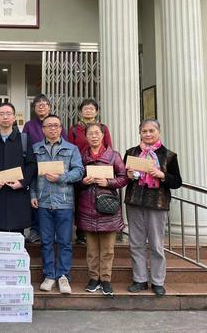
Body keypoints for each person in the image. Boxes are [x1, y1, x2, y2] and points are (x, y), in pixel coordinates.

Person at [124, 119, 182, 297]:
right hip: (135, 202)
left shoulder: (169, 155)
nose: (148, 134)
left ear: (158, 132)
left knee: (156, 245)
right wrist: (128, 174)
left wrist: (162, 175)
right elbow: (124, 177)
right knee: (136, 243)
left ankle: (158, 281)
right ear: (139, 133)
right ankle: (140, 279)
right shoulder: (131, 153)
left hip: (157, 203)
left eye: (151, 131)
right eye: (144, 131)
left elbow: (177, 182)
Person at [30, 114, 83, 294]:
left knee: (64, 242)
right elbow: (32, 175)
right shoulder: (36, 149)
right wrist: (32, 194)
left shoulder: (72, 149)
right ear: (43, 129)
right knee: (46, 241)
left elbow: (79, 171)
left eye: (56, 126)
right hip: (44, 201)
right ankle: (49, 275)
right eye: (48, 126)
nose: (52, 129)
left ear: (61, 128)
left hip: (64, 202)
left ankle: (63, 276)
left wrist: (62, 178)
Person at [77, 123, 128, 297]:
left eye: (97, 133)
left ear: (103, 135)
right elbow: (76, 177)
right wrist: (83, 181)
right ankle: (93, 278)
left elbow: (124, 178)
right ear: (86, 136)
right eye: (90, 133)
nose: (93, 136)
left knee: (107, 249)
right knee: (91, 250)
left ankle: (105, 279)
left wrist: (108, 183)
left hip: (107, 208)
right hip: (87, 206)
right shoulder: (81, 156)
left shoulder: (114, 156)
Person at [0, 103, 37, 233]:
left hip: (18, 194)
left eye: (9, 114)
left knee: (17, 238)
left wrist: (22, 182)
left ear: (14, 118)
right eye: (1, 114)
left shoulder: (24, 139)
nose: (5, 117)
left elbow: (31, 165)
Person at [68, 98, 113, 245]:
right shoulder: (74, 129)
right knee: (81, 199)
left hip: (100, 166)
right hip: (81, 167)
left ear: (96, 111)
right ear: (80, 111)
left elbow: (109, 148)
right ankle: (81, 232)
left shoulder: (103, 128)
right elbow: (70, 149)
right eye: (85, 108)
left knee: (99, 197)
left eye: (91, 108)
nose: (88, 110)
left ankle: (100, 229)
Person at [22, 94, 66, 243]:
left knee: (53, 198)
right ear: (34, 108)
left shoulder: (56, 123)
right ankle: (35, 230)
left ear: (49, 107)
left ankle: (51, 232)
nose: (41, 106)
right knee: (36, 197)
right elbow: (24, 145)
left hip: (54, 165)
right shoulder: (29, 125)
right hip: (36, 164)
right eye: (38, 104)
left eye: (44, 103)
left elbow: (64, 143)